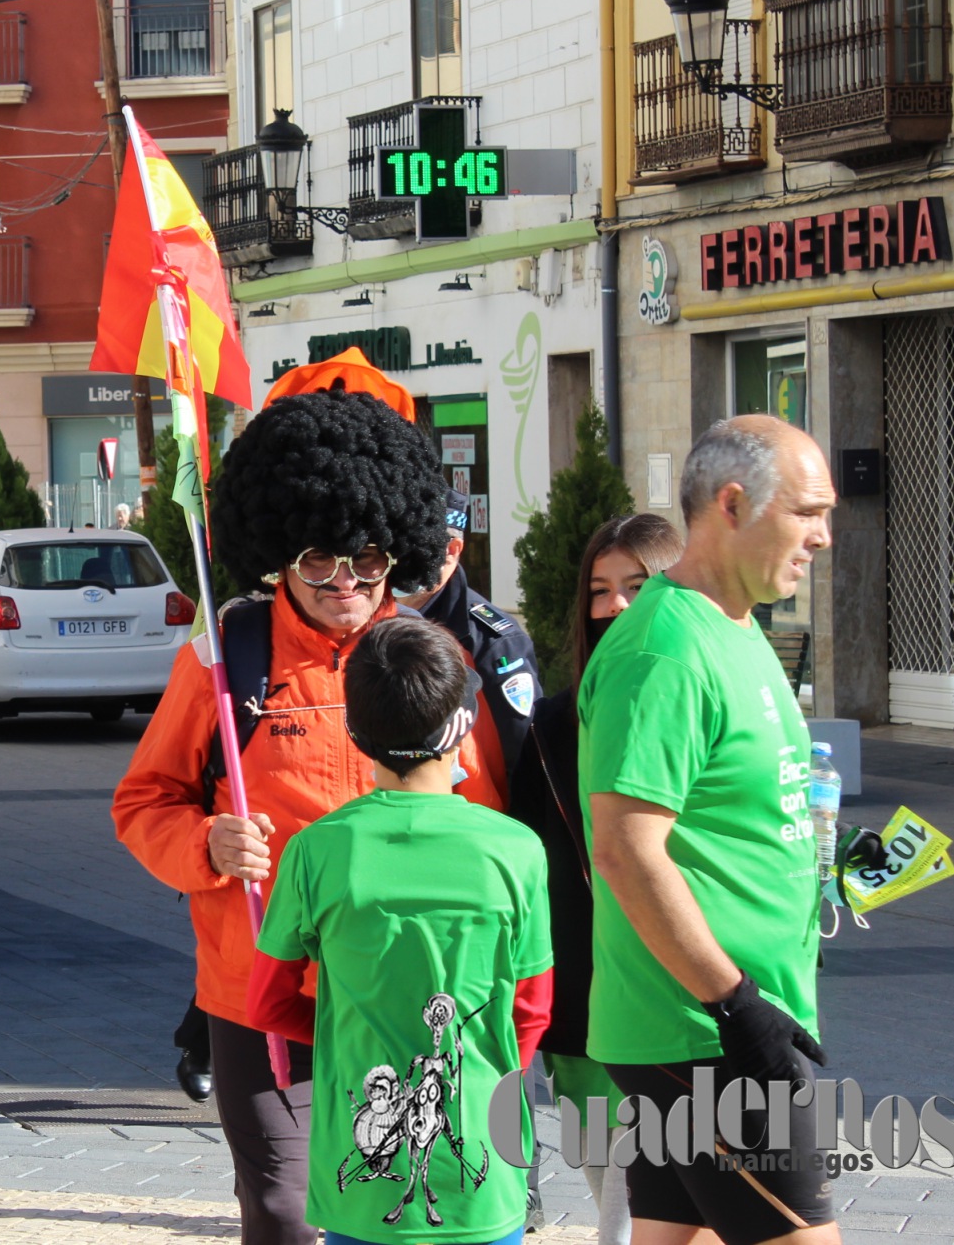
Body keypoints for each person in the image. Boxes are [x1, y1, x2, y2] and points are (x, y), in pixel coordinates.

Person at [114, 389, 503, 1245]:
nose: (345, 583)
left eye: (366, 560)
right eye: (320, 560)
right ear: (281, 556)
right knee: (287, 1211)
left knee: (390, 1209)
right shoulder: (226, 658)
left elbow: (486, 821)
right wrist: (206, 845)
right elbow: (144, 802)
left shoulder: (431, 659)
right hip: (258, 989)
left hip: (400, 994)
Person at [582, 415, 838, 1245]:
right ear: (733, 504)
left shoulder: (736, 624)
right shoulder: (662, 649)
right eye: (807, 511)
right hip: (705, 1030)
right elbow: (625, 848)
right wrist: (735, 1006)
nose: (824, 536)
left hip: (712, 1027)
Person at [249, 616, 552, 1245]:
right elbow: (531, 1010)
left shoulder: (316, 851)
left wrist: (341, 1038)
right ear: (461, 723)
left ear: (354, 730)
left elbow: (267, 1000)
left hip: (358, 1175)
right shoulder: (517, 850)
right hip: (484, 1176)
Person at [508, 512, 683, 1245]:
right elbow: (525, 854)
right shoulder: (551, 725)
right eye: (600, 590)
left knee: (652, 1198)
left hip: (680, 986)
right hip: (583, 992)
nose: (613, 606)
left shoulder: (706, 703)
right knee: (605, 1169)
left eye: (637, 587)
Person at [398, 489, 542, 793]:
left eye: (414, 546)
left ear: (452, 549)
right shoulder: (369, 614)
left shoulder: (494, 642)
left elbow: (523, 756)